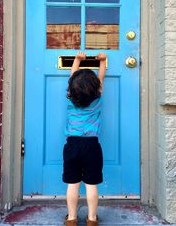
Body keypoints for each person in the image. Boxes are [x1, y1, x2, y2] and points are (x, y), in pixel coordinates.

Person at [63, 51, 107, 226]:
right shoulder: (97, 98)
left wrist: (77, 59)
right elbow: (101, 77)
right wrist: (102, 61)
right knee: (91, 184)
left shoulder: (70, 98)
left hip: (72, 144)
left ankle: (72, 219)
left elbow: (72, 76)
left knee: (73, 184)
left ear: (71, 88)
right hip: (91, 145)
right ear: (96, 88)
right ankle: (92, 219)